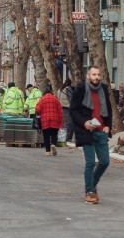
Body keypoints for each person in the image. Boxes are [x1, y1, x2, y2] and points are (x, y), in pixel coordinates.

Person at [70, 66, 113, 205]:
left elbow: (109, 109)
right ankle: (89, 191)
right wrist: (84, 123)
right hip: (86, 131)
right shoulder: (81, 89)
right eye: (94, 74)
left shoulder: (104, 89)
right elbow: (73, 110)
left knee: (105, 162)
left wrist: (108, 126)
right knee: (90, 162)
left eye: (98, 74)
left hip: (101, 131)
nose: (96, 77)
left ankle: (92, 184)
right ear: (88, 75)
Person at [35, 87, 64, 156]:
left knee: (46, 136)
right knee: (54, 134)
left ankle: (47, 151)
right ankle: (53, 145)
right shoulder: (56, 99)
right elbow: (60, 111)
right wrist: (61, 122)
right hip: (55, 119)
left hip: (45, 120)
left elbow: (37, 110)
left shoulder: (42, 99)